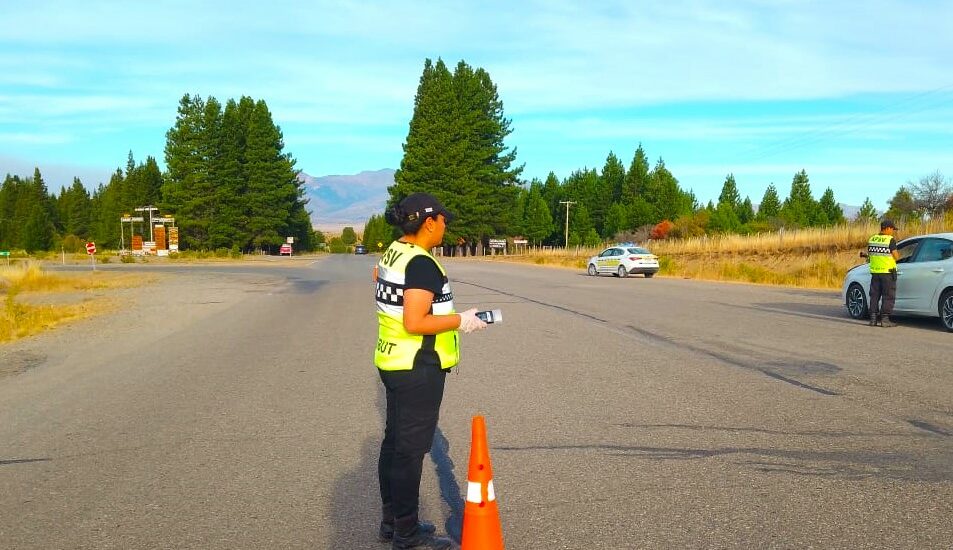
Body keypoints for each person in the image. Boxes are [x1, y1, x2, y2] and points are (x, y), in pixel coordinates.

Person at [374, 192, 487, 549]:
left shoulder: (394, 251)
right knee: (409, 451)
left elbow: (380, 279)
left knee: (394, 445)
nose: (445, 224)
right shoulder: (421, 263)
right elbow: (414, 319)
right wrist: (462, 320)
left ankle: (393, 522)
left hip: (392, 360)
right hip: (417, 366)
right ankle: (405, 535)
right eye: (442, 219)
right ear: (428, 222)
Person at [867, 219, 900, 327]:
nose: (893, 231)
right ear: (887, 228)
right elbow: (896, 256)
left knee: (874, 296)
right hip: (887, 273)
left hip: (875, 273)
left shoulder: (872, 239)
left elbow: (870, 255)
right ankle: (885, 320)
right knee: (888, 296)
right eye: (892, 229)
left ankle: (873, 319)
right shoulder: (890, 240)